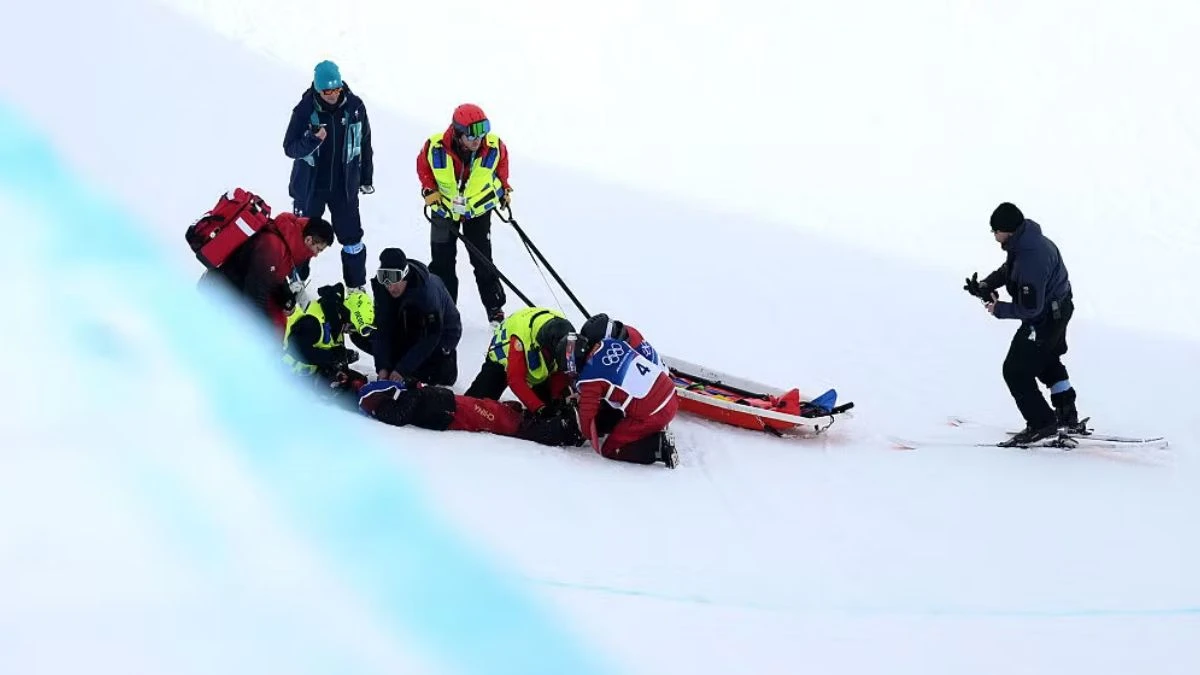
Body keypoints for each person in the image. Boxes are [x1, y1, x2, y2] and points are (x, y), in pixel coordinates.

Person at [964, 202, 1081, 446]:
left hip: (1046, 316)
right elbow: (1010, 270)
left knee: (1015, 371)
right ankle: (1066, 414)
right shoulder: (1026, 242)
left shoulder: (1031, 257)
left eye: (994, 231)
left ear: (1006, 230)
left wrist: (999, 309)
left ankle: (1042, 423)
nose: (994, 236)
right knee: (1046, 359)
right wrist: (986, 285)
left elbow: (1031, 307)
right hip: (1058, 309)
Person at [416, 102, 511, 325]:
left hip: (478, 210)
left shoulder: (495, 147)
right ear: (458, 134)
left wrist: (505, 189)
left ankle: (494, 307)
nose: (478, 140)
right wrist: (429, 189)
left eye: (482, 133)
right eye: (471, 136)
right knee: (442, 263)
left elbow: (502, 168)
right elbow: (423, 167)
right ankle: (443, 307)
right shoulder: (435, 146)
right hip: (444, 210)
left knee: (482, 260)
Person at [284, 59, 375, 290]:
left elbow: (365, 143)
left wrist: (366, 178)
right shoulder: (304, 110)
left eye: (336, 89)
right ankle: (296, 285)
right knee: (303, 237)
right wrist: (312, 140)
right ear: (317, 89)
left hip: (344, 187)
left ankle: (356, 289)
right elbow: (290, 147)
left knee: (352, 238)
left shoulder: (355, 107)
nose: (333, 95)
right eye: (327, 91)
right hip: (310, 188)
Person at [554, 332, 680, 468]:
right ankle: (652, 432)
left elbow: (587, 416)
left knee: (610, 449)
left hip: (656, 412)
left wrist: (582, 434)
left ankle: (659, 447)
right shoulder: (611, 343)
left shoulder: (590, 378)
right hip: (671, 393)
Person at [199, 212, 334, 335]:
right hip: (219, 296)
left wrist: (285, 295)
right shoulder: (273, 246)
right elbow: (254, 295)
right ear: (308, 240)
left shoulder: (286, 241)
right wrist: (265, 336)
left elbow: (271, 276)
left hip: (233, 290)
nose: (315, 255)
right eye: (318, 249)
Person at [356, 379, 584, 447]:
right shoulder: (385, 408)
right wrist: (414, 389)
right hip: (451, 412)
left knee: (498, 411)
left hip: (451, 404)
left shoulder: (392, 399)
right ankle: (565, 429)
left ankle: (552, 419)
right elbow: (401, 415)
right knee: (504, 422)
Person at [370, 247, 462, 387]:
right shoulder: (383, 287)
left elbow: (433, 334)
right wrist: (383, 367)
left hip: (439, 335)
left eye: (395, 278)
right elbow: (381, 328)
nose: (391, 287)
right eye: (384, 278)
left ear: (405, 275)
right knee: (364, 334)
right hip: (406, 328)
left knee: (435, 375)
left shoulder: (426, 292)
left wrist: (402, 370)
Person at [463, 306, 575, 415]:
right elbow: (515, 380)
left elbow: (560, 371)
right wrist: (538, 407)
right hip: (502, 359)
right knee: (474, 406)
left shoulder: (565, 333)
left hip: (538, 367)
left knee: (552, 408)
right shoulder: (521, 339)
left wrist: (556, 396)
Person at [282, 282, 372, 406]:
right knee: (344, 393)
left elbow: (329, 349)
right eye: (351, 328)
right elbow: (297, 350)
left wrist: (344, 356)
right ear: (346, 317)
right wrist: (333, 357)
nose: (349, 332)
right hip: (290, 374)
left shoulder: (335, 323)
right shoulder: (314, 320)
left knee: (358, 382)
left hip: (313, 373)